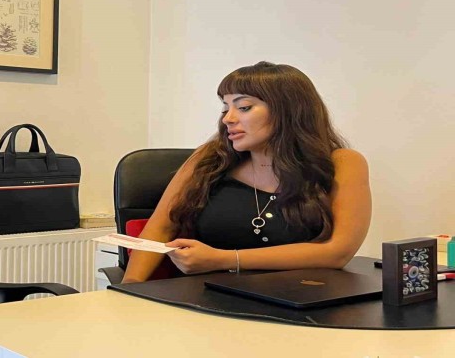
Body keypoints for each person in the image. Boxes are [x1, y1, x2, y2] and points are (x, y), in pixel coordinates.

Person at [122, 62, 371, 283]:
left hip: (302, 301)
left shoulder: (343, 162)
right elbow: (160, 229)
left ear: (287, 111)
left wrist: (224, 259)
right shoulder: (209, 158)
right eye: (225, 108)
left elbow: (338, 252)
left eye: (243, 107)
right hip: (206, 297)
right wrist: (129, 288)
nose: (228, 119)